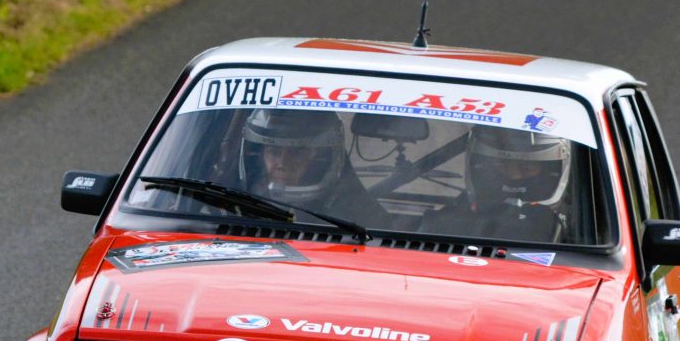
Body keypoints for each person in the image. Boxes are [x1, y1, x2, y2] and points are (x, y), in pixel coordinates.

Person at [423, 125, 571, 242]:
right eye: (502, 165)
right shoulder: (449, 220)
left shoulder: (580, 227)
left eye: (526, 168)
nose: (513, 175)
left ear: (550, 172)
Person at [239, 109, 388, 223]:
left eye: (296, 153)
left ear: (320, 159)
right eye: (274, 152)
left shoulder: (360, 218)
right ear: (259, 156)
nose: (283, 164)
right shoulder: (230, 203)